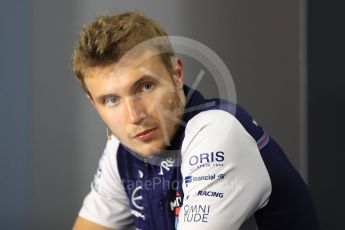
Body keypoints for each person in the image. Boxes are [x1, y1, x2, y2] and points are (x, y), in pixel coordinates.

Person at [71, 11, 319, 230]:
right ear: (94, 104)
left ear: (176, 73)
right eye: (112, 100)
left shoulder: (216, 132)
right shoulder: (122, 149)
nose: (134, 117)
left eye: (145, 87)